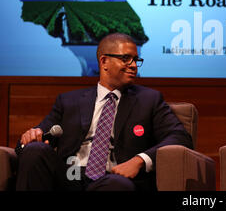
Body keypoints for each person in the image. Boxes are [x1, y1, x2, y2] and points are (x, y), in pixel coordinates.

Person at [15, 32, 193, 191]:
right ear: (104, 61)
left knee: (116, 186)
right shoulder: (68, 101)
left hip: (115, 177)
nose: (133, 66)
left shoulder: (149, 100)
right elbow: (33, 142)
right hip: (70, 175)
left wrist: (138, 160)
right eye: (126, 59)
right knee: (35, 150)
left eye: (136, 60)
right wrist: (29, 138)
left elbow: (180, 136)